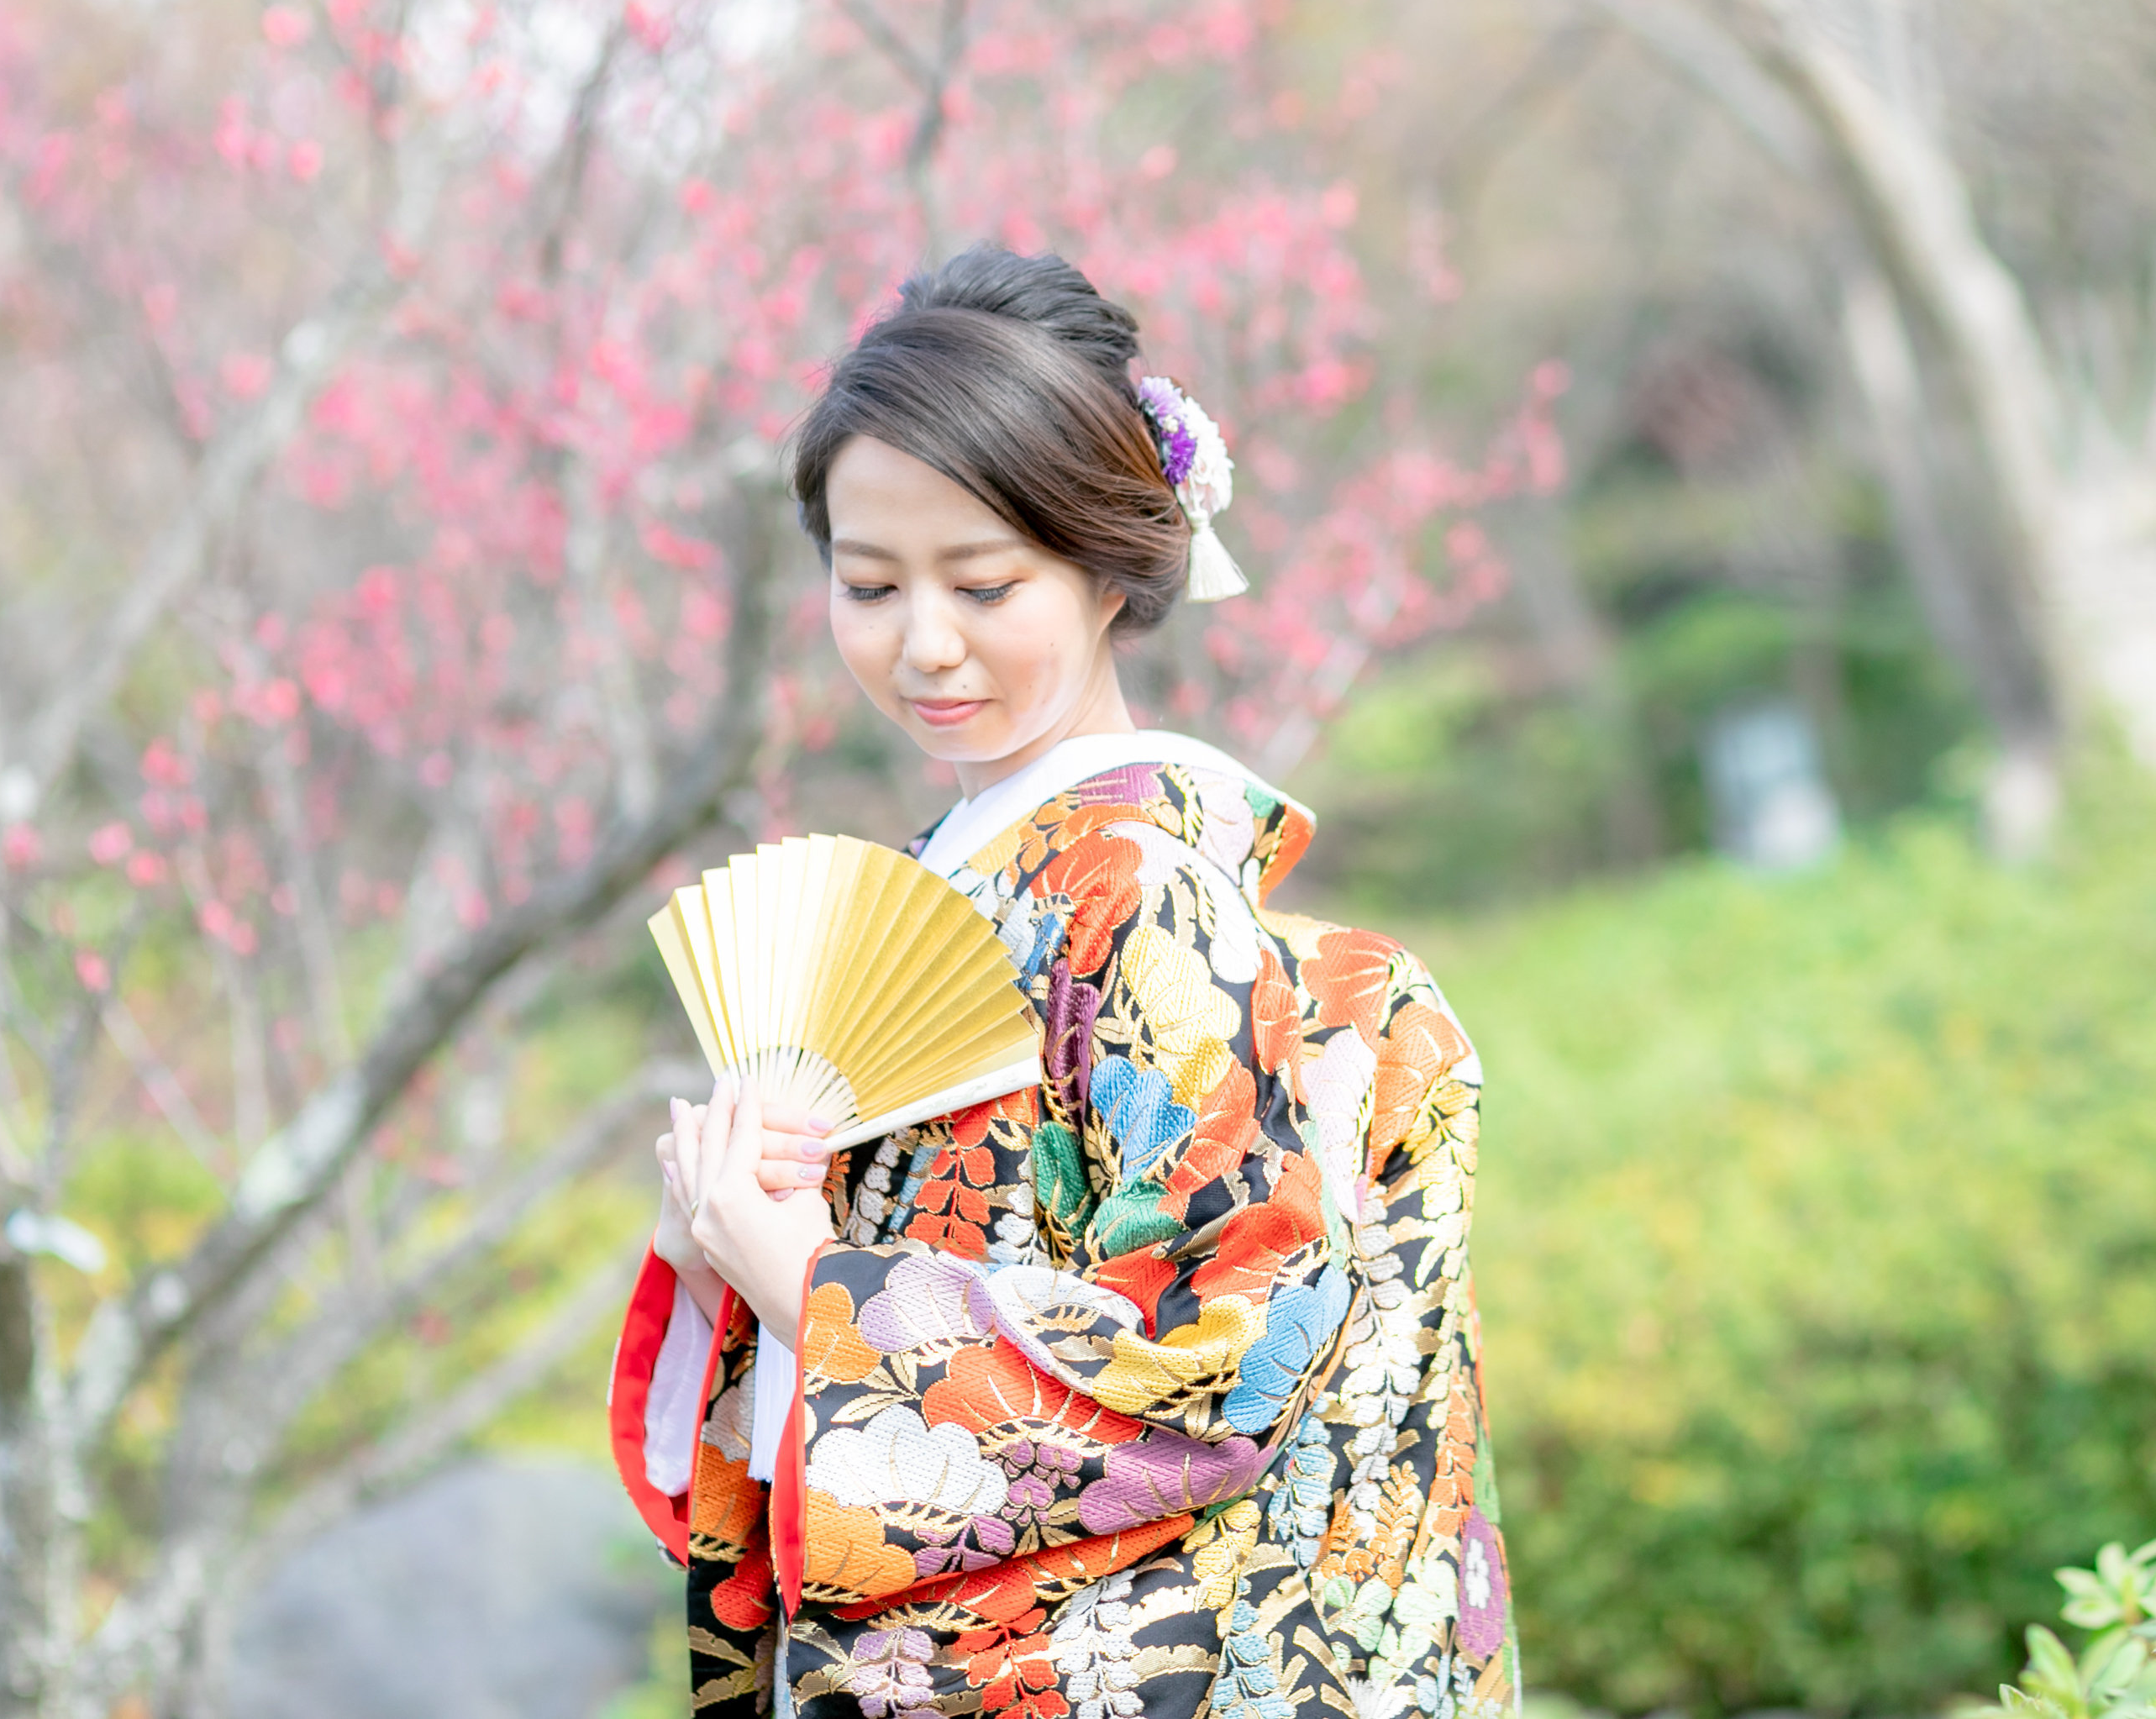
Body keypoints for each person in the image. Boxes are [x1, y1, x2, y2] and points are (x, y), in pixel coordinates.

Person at [607, 250, 1512, 1719]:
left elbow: (1228, 1355)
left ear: (1107, 568)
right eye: (869, 584)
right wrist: (717, 1243)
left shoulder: (1141, 890)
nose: (925, 644)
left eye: (984, 584)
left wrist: (817, 1291)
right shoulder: (940, 887)